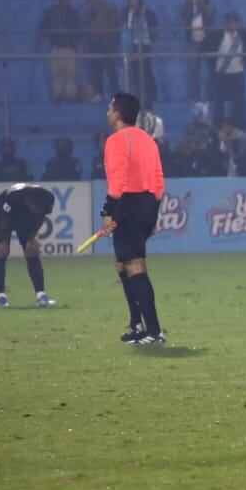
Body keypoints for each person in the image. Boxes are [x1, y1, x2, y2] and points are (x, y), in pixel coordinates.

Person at [101, 93, 167, 345]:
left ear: (117, 113)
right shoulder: (149, 140)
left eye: (109, 108)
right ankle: (136, 324)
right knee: (121, 262)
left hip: (127, 202)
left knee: (135, 265)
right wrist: (154, 213)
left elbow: (118, 179)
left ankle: (154, 331)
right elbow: (159, 179)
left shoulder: (116, 140)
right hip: (148, 202)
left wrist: (107, 211)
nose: (107, 112)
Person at [0, 184, 58, 308]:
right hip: (2, 215)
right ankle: (1, 296)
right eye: (36, 208)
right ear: (29, 201)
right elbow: (3, 221)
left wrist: (32, 238)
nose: (38, 211)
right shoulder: (12, 198)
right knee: (1, 252)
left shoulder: (48, 198)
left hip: (26, 220)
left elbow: (40, 217)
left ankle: (41, 295)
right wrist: (3, 241)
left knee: (32, 251)